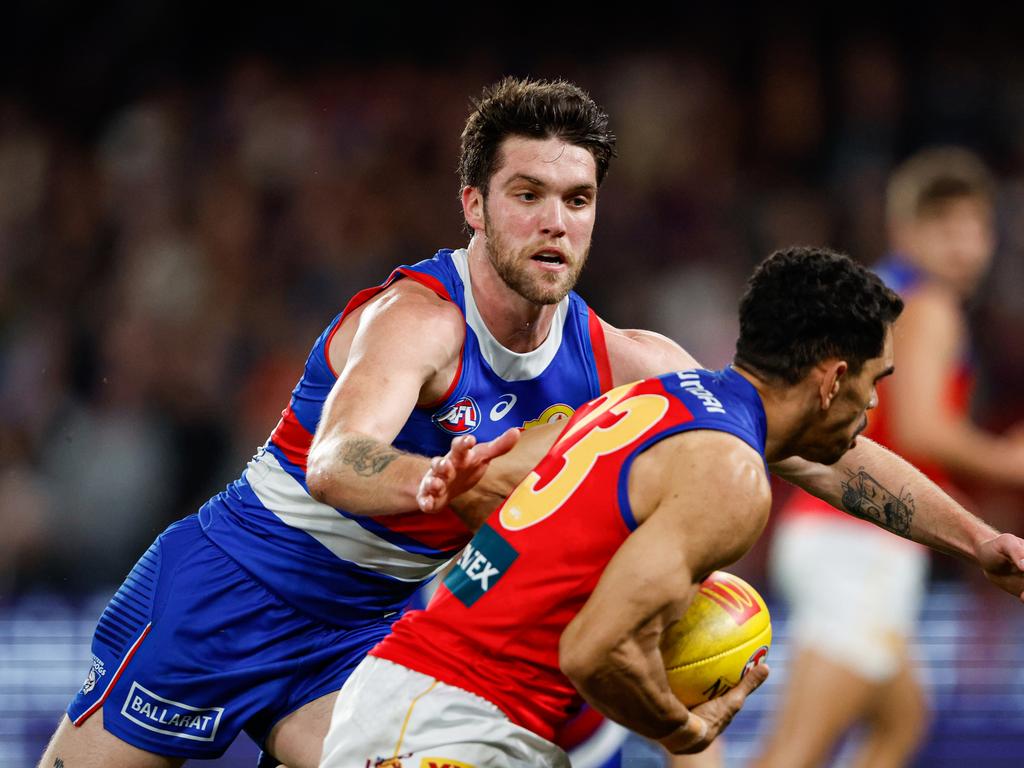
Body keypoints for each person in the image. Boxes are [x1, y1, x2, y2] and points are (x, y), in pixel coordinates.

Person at [39, 77, 712, 768]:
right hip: (226, 594)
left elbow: (774, 427)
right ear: (473, 205)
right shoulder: (419, 320)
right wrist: (437, 484)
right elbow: (334, 460)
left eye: (578, 199)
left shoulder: (623, 362)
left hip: (358, 636)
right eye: (528, 194)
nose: (556, 221)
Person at [319, 247, 1024, 767]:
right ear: (833, 379)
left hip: (438, 697)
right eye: (876, 383)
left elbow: (842, 466)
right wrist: (686, 729)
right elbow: (595, 651)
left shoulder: (661, 399)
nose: (876, 408)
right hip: (454, 719)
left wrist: (979, 541)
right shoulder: (731, 479)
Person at [756, 148, 1024, 768]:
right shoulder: (931, 308)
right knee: (793, 754)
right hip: (857, 541)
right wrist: (1010, 464)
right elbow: (926, 431)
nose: (965, 246)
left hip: (842, 535)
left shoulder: (879, 295)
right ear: (906, 230)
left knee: (904, 719)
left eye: (975, 228)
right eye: (946, 228)